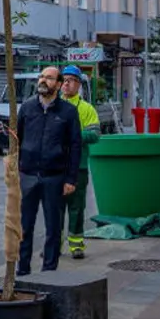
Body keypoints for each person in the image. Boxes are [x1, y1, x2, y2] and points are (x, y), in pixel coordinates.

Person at [16, 66, 82, 276]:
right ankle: (23, 271)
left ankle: (49, 273)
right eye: (42, 77)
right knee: (24, 227)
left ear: (59, 84)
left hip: (55, 178)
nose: (44, 81)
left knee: (54, 228)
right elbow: (16, 139)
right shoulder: (26, 108)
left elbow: (75, 146)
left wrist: (70, 178)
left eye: (50, 78)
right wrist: (15, 172)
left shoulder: (68, 112)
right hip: (27, 176)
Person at [58, 65, 99, 260]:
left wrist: (74, 136)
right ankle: (54, 244)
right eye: (64, 80)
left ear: (78, 85)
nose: (66, 83)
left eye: (71, 80)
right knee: (55, 208)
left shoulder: (86, 108)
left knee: (76, 207)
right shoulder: (53, 105)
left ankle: (76, 245)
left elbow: (95, 134)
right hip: (55, 166)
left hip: (78, 167)